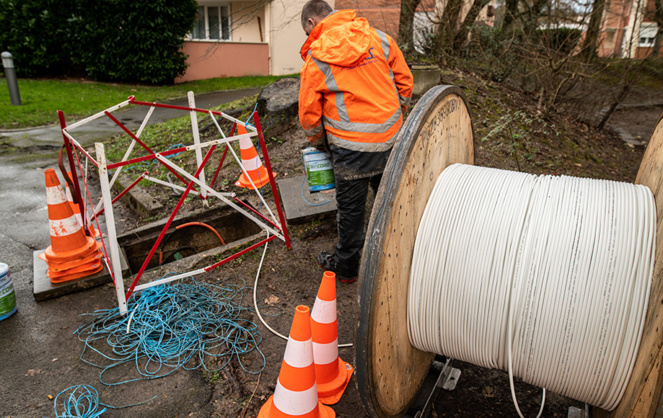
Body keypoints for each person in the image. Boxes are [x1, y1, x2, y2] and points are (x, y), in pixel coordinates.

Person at [298, 0, 413, 282]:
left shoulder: (317, 57)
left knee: (351, 212)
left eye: (306, 32)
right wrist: (395, 117)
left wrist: (319, 143)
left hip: (350, 150)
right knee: (390, 201)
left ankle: (347, 269)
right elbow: (405, 84)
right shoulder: (381, 39)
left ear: (312, 23)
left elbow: (309, 115)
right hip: (391, 140)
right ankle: (400, 259)